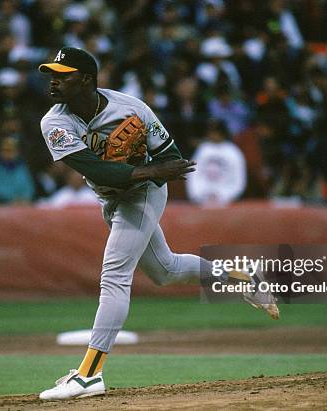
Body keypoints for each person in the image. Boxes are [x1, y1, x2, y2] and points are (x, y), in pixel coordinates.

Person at [36, 47, 279, 401]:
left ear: (87, 79)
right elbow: (96, 169)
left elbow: (172, 159)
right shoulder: (54, 122)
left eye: (63, 74)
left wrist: (149, 170)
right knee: (166, 270)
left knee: (115, 275)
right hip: (115, 194)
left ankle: (89, 374)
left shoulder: (131, 107)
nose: (54, 81)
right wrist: (144, 168)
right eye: (52, 74)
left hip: (145, 194)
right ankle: (240, 276)